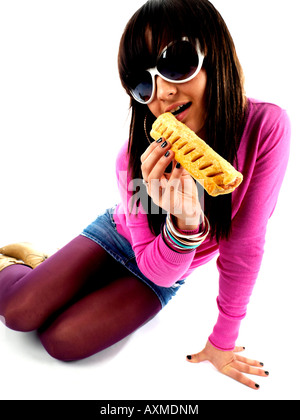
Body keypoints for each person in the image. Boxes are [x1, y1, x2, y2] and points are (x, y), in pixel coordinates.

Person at [0, 0, 290, 390]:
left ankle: (58, 275)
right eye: (142, 83)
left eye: (177, 63)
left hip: (161, 273)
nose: (164, 93)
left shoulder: (265, 128)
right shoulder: (134, 158)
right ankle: (30, 264)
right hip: (115, 237)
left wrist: (223, 338)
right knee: (18, 313)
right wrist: (173, 216)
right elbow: (142, 249)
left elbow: (243, 245)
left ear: (216, 51)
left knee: (61, 342)